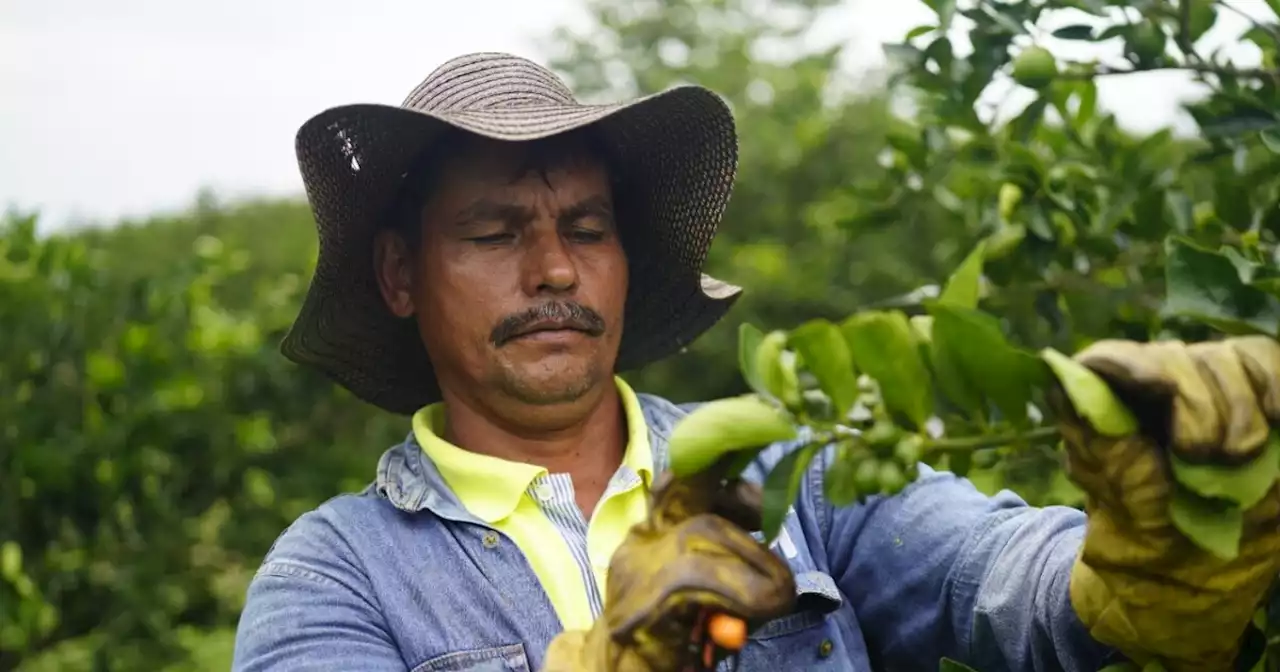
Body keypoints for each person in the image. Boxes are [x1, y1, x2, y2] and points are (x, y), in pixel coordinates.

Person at [231, 52, 1280, 672]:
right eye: (495, 233)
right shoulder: (335, 576)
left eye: (586, 228)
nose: (553, 270)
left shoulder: (789, 468)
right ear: (400, 275)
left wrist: (1135, 557)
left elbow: (992, 574)